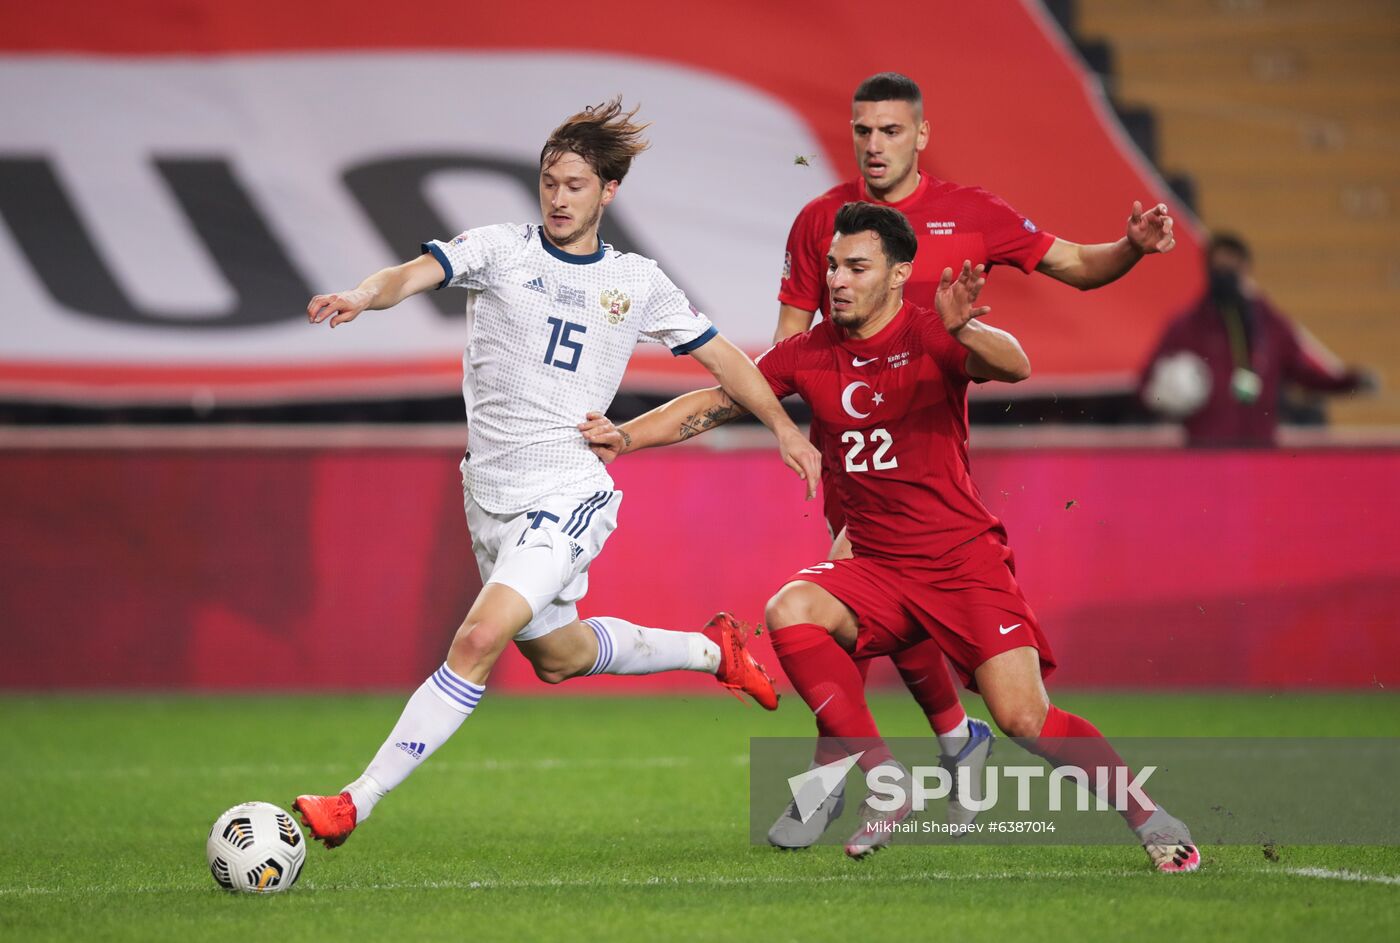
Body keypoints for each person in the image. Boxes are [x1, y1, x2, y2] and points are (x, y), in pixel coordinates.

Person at [585, 203, 1199, 871]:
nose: (837, 281)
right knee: (790, 608)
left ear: (898, 273)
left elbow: (1015, 364)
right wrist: (626, 435)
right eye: (831, 267)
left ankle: (1150, 816)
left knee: (1025, 719)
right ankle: (884, 777)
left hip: (961, 563)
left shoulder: (933, 332)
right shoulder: (809, 352)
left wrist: (967, 329)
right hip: (875, 564)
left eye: (856, 267)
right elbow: (716, 401)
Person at [291, 99, 822, 849]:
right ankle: (714, 651)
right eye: (549, 182)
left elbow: (725, 360)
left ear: (608, 191)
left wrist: (783, 428)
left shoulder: (637, 281)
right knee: (557, 656)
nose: (559, 197)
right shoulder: (500, 249)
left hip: (568, 489)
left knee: (477, 640)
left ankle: (354, 800)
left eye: (575, 184)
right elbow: (412, 273)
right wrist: (360, 295)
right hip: (490, 494)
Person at [770, 71, 1181, 845]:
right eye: (863, 131)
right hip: (850, 448)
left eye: (891, 131)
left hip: (928, 452)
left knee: (860, 609)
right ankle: (949, 744)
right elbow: (789, 341)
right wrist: (795, 423)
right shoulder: (821, 221)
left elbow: (1074, 266)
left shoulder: (972, 213)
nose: (875, 145)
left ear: (922, 135)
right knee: (854, 615)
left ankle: (846, 776)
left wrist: (1129, 246)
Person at [1140, 232, 1376, 446]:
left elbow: (1304, 372)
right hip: (1205, 452)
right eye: (1218, 269)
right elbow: (1149, 382)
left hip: (1260, 451)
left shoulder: (1271, 325)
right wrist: (1168, 397)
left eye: (1231, 269)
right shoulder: (1187, 327)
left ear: (1246, 269)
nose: (1224, 277)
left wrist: (1349, 382)